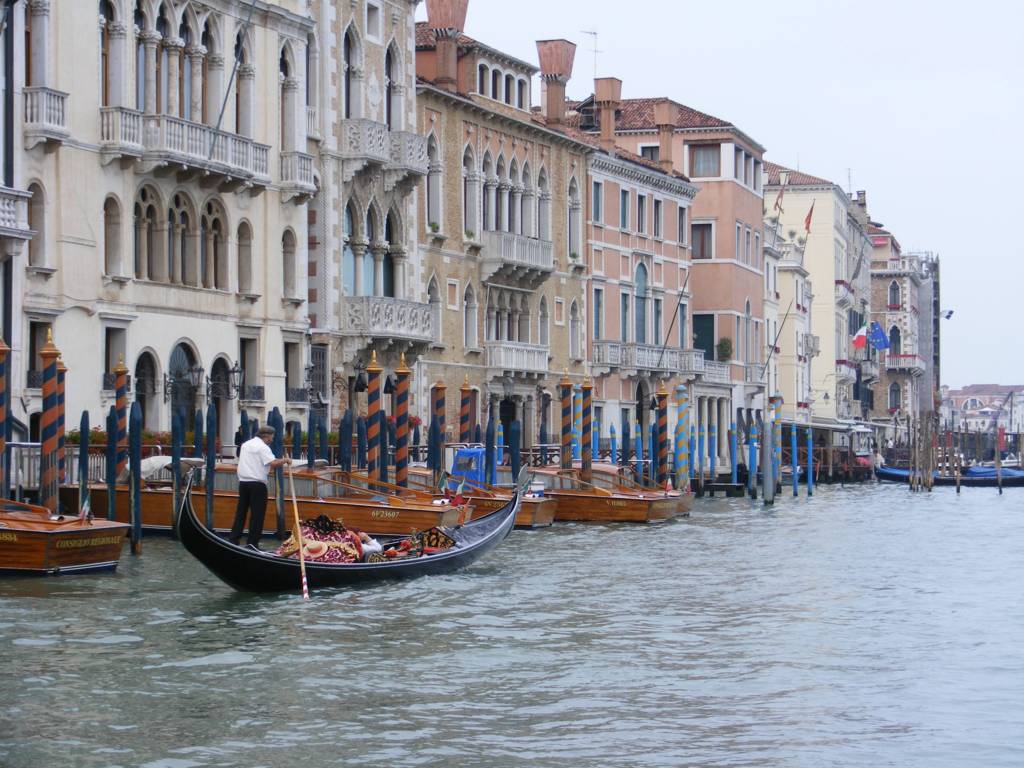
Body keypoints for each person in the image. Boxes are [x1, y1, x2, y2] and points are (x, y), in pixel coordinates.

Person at [229, 425, 292, 550]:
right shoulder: (263, 447)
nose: (272, 440)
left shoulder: (246, 445)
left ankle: (233, 540)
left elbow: (258, 463)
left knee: (241, 512)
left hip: (244, 483)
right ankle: (252, 544)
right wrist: (285, 460)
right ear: (267, 436)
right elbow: (273, 463)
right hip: (257, 484)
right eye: (272, 437)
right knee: (257, 515)